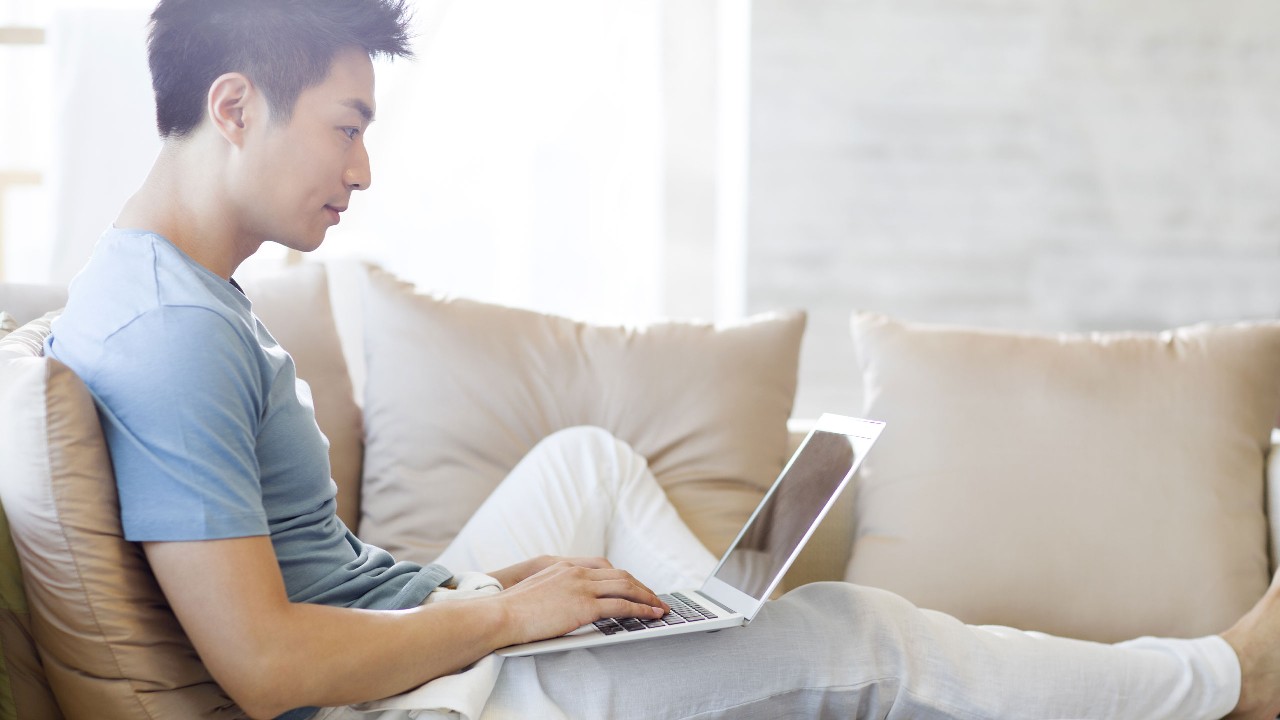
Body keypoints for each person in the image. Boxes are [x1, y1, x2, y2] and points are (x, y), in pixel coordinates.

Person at [44, 1, 1280, 718]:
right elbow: (264, 668)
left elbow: (314, 578)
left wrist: (480, 594)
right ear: (234, 105)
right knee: (865, 634)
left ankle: (697, 645)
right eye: (348, 127)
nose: (363, 170)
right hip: (397, 705)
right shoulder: (170, 336)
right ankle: (1217, 682)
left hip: (401, 633)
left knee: (585, 460)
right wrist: (503, 615)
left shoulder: (178, 294)